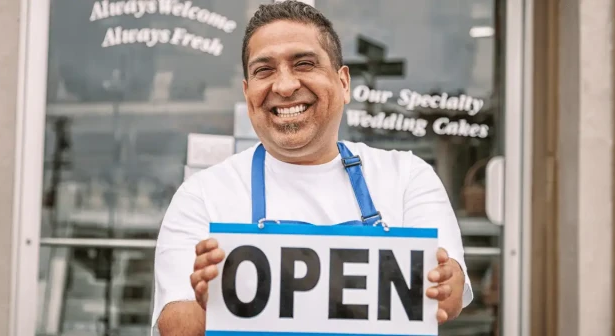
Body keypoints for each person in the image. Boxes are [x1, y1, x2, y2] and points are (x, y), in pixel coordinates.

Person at [152, 1, 473, 335]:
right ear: (248, 94)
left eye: (304, 64)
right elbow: (175, 326)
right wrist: (213, 304)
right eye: (264, 70)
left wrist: (442, 282)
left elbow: (447, 297)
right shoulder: (202, 195)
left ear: (344, 83)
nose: (285, 86)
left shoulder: (406, 176)